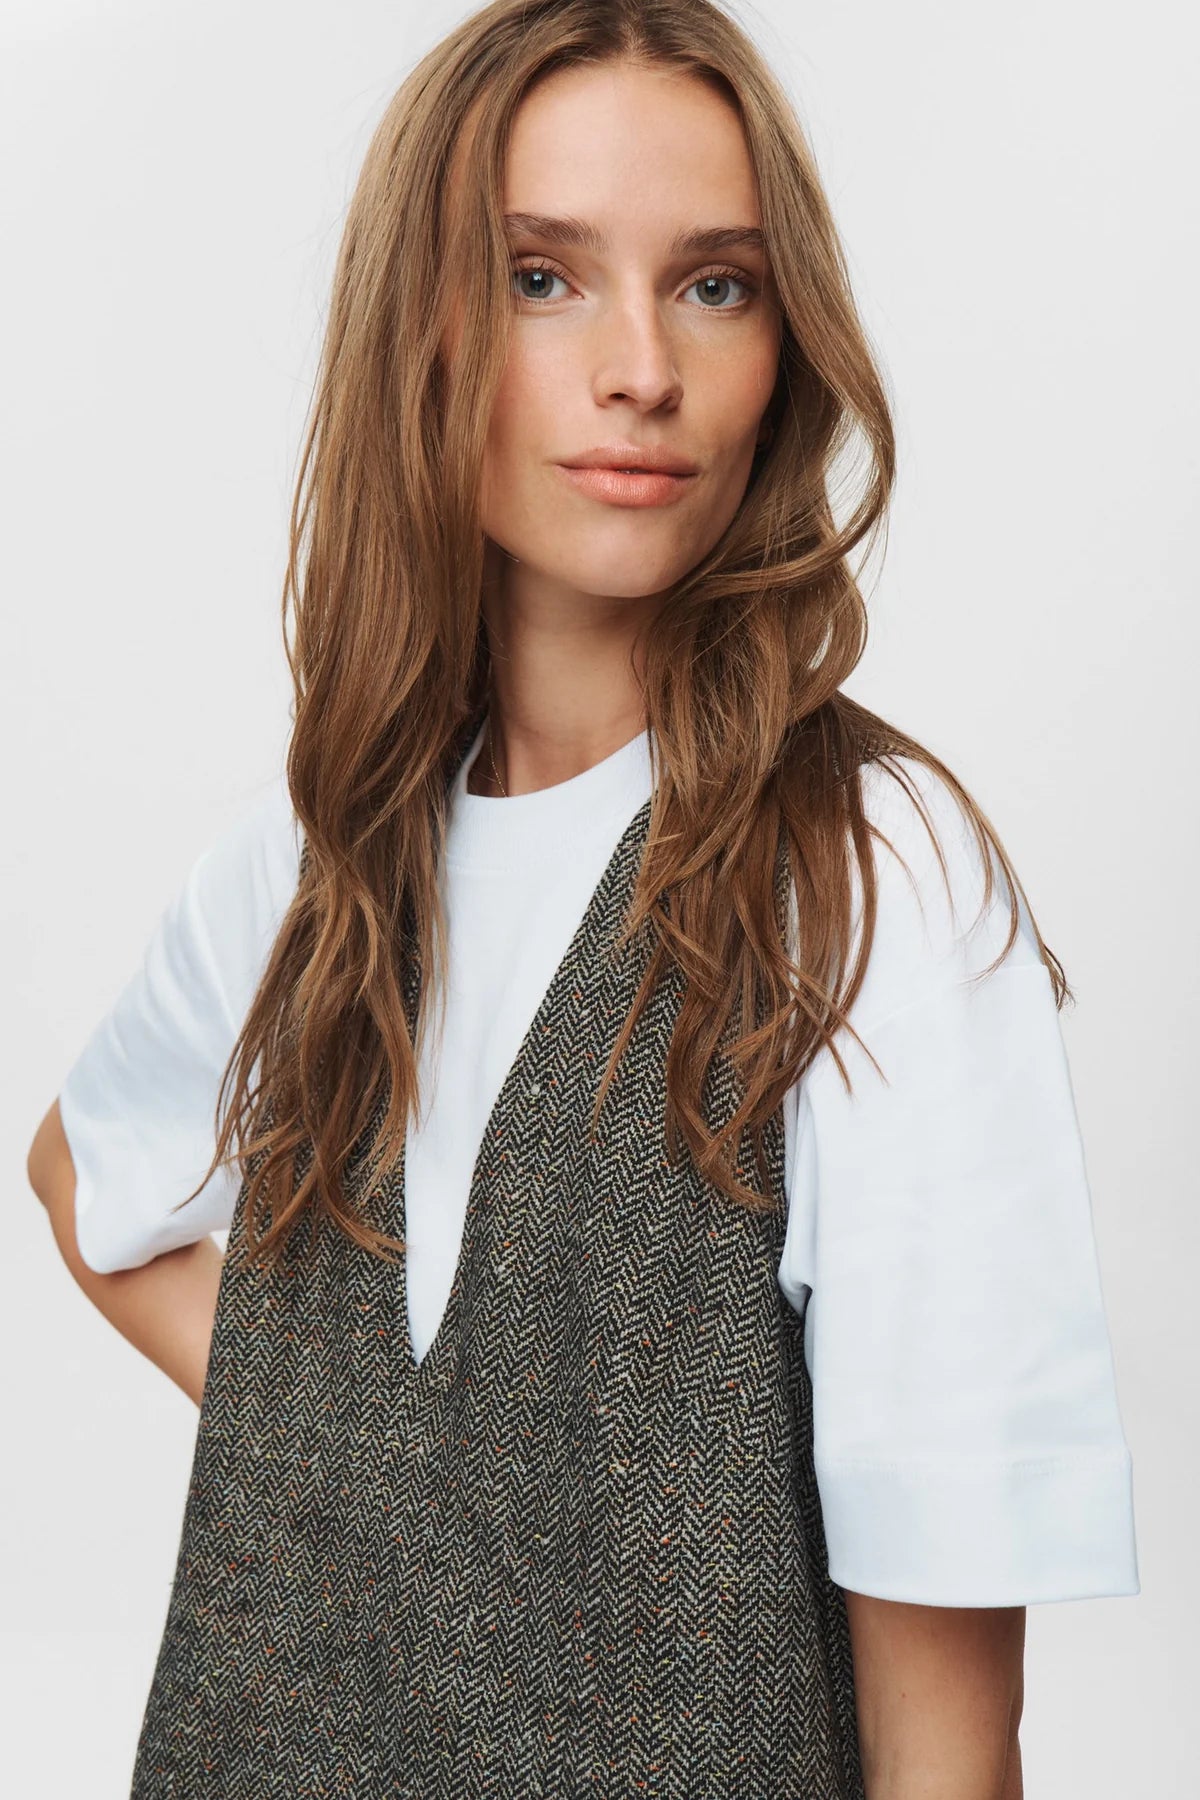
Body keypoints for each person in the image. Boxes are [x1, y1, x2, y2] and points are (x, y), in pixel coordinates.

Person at [27, 2, 1138, 1795]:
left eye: (716, 284)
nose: (642, 368)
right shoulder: (322, 856)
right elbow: (89, 1175)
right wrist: (357, 1462)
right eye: (544, 277)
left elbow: (948, 1728)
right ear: (426, 327)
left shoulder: (869, 881)